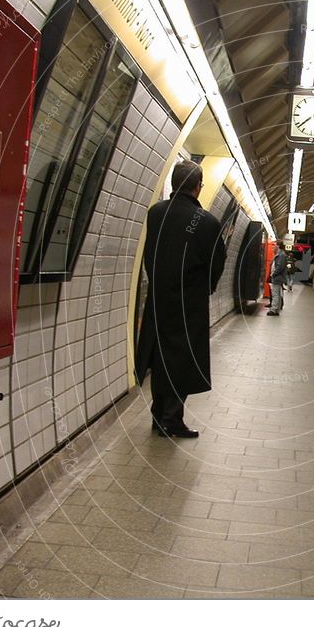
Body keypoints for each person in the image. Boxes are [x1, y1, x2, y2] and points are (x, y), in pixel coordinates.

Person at [135, 160, 226, 438]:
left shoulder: (156, 213)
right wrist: (206, 286)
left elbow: (151, 254)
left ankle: (159, 416)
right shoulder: (208, 222)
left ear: (175, 184)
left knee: (161, 358)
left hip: (159, 301)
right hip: (189, 305)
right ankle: (171, 420)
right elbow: (217, 262)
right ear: (198, 188)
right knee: (183, 361)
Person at [267, 241, 287, 316]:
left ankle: (273, 310)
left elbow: (280, 267)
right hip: (277, 277)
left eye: (275, 245)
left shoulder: (281, 255)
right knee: (277, 294)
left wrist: (273, 273)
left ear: (278, 246)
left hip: (277, 277)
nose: (273, 246)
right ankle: (276, 309)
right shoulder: (279, 254)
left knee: (275, 294)